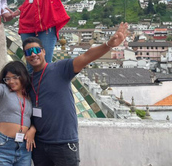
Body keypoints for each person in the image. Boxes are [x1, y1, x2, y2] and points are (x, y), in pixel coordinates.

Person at [23, 22, 128, 166]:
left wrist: (108, 45)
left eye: (36, 50)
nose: (33, 54)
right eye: (29, 52)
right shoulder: (27, 80)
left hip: (64, 142)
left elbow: (86, 56)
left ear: (44, 51)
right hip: (39, 145)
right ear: (25, 57)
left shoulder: (60, 68)